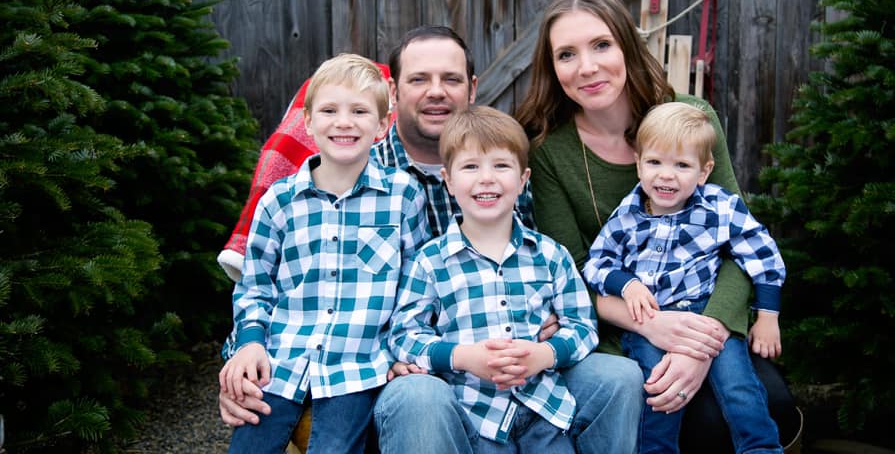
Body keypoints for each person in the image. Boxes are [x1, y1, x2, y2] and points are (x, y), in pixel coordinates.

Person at [220, 26, 644, 454]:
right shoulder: (359, 159)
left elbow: (561, 285)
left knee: (618, 378)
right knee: (418, 397)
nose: (436, 92)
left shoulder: (509, 167)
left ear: (472, 88)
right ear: (393, 93)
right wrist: (240, 358)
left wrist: (545, 334)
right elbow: (272, 286)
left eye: (452, 79)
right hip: (410, 370)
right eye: (419, 80)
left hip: (521, 365)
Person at [514, 0, 799, 451]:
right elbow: (571, 274)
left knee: (767, 405)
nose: (587, 67)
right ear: (553, 69)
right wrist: (649, 324)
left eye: (601, 45)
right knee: (679, 415)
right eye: (567, 54)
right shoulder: (549, 152)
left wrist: (705, 338)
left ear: (626, 45)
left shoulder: (689, 119)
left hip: (707, 315)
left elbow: (737, 243)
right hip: (622, 328)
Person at [219, 53, 428, 454]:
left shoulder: (403, 197)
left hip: (357, 369)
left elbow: (414, 289)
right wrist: (248, 343)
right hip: (279, 364)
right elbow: (255, 286)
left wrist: (402, 350)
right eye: (329, 110)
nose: (344, 122)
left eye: (360, 111)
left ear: (383, 124)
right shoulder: (279, 202)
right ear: (309, 123)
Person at [389, 106, 599, 453]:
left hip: (544, 412)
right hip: (473, 415)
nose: (486, 178)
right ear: (449, 181)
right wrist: (461, 356)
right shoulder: (430, 262)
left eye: (501, 165)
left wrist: (545, 353)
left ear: (523, 179)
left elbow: (583, 325)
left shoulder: (551, 256)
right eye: (471, 166)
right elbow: (404, 335)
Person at [583, 101, 785, 453]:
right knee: (658, 388)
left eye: (682, 165)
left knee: (739, 387)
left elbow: (762, 254)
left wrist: (768, 316)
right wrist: (626, 284)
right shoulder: (627, 217)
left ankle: (762, 449)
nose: (666, 175)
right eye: (655, 162)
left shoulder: (720, 208)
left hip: (705, 313)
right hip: (650, 316)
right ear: (638, 163)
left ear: (704, 171)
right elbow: (597, 264)